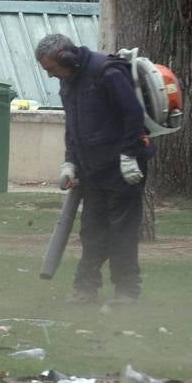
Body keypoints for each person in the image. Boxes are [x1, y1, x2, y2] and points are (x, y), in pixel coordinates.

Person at [35, 33, 149, 306]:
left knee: (122, 229)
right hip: (91, 168)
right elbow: (73, 126)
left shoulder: (106, 72)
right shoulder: (68, 81)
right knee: (91, 231)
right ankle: (86, 290)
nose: (51, 76)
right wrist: (70, 162)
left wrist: (129, 155)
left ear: (66, 57)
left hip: (122, 167)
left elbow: (133, 115)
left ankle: (126, 291)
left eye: (51, 68)